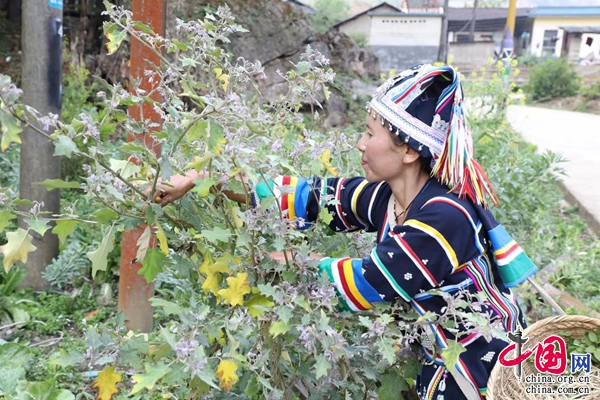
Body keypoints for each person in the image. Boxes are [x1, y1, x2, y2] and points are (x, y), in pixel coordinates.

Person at [153, 64, 537, 400]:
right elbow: (307, 197)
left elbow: (367, 283)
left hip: (482, 368)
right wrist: (200, 178)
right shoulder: (389, 196)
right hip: (442, 356)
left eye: (370, 134)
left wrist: (288, 263)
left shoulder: (444, 218)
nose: (360, 143)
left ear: (408, 151)